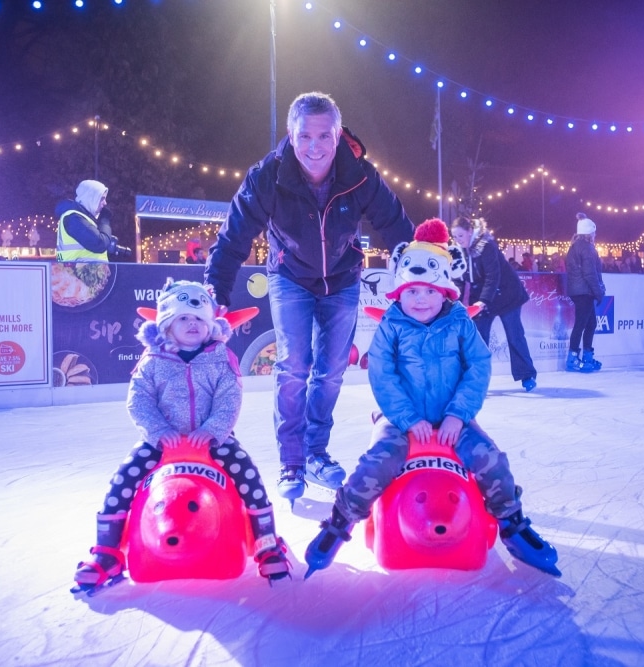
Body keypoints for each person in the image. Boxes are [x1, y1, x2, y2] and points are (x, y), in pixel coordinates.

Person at [302, 219, 560, 578]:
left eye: (428, 291)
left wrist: (458, 414)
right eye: (411, 291)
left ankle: (511, 523)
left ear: (445, 292)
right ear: (399, 293)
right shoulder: (391, 326)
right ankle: (340, 521)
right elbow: (382, 375)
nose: (420, 299)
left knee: (491, 459)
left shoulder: (459, 322)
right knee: (375, 463)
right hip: (399, 420)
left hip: (453, 418)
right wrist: (407, 419)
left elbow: (477, 367)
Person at [204, 91, 414, 501]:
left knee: (332, 370)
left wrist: (423, 270)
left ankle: (317, 452)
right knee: (293, 367)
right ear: (291, 135)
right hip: (290, 276)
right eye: (305, 137)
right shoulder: (268, 175)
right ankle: (292, 461)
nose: (314, 147)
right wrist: (215, 289)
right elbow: (234, 237)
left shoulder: (359, 175)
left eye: (323, 136)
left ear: (338, 136)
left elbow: (396, 227)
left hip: (342, 277)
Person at [72, 279, 291, 591]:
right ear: (166, 325)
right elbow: (139, 400)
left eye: (199, 319)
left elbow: (229, 398)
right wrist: (158, 432)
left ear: (210, 324)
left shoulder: (220, 357)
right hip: (161, 441)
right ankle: (106, 551)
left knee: (248, 475)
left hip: (213, 439)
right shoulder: (152, 361)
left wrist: (213, 430)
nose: (193, 324)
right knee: (123, 479)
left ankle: (265, 543)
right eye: (183, 318)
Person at [450, 216, 538, 392]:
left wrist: (483, 300)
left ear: (469, 231)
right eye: (455, 237)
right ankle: (477, 379)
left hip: (507, 294)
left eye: (461, 235)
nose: (458, 240)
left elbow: (493, 276)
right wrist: (456, 302)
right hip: (483, 298)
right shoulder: (459, 252)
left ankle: (526, 375)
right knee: (479, 339)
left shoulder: (486, 246)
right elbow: (460, 278)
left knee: (514, 334)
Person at [565, 213, 606, 372]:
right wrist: (599, 292)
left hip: (580, 290)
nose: (595, 235)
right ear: (589, 233)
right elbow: (590, 273)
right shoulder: (587, 248)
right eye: (594, 232)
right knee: (582, 324)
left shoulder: (576, 246)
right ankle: (572, 359)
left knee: (590, 324)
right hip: (584, 291)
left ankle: (587, 356)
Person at [55, 179, 120, 262]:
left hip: (85, 272)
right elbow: (100, 243)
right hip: (75, 272)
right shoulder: (73, 218)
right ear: (91, 198)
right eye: (102, 199)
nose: (105, 203)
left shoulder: (84, 218)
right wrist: (105, 221)